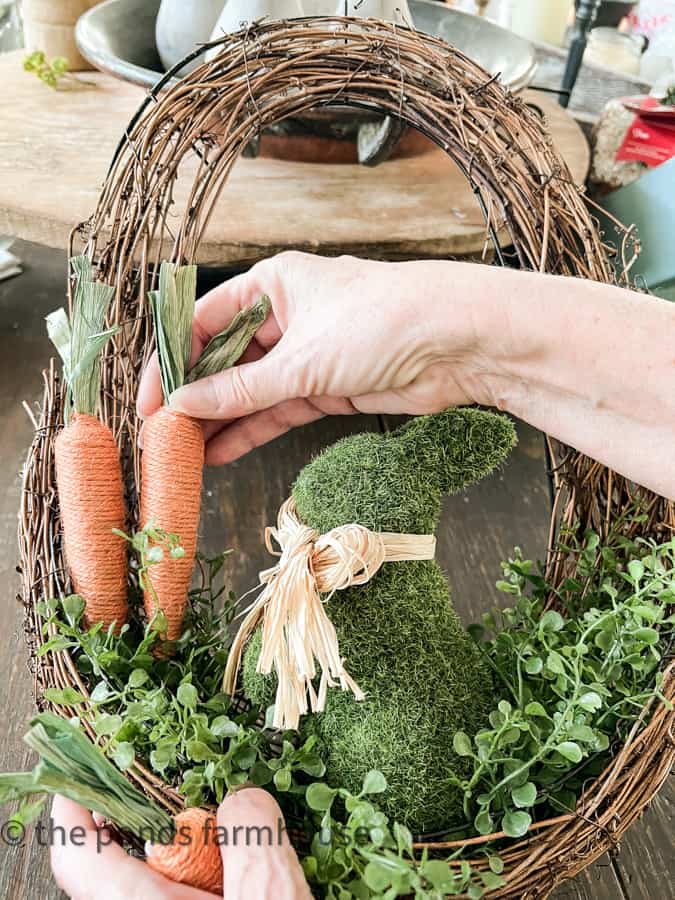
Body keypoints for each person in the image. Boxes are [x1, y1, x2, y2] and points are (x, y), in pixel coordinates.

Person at [51, 252, 675, 898]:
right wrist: (465, 348)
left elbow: (277, 683)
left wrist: (464, 345)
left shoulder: (334, 599)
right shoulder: (320, 599)